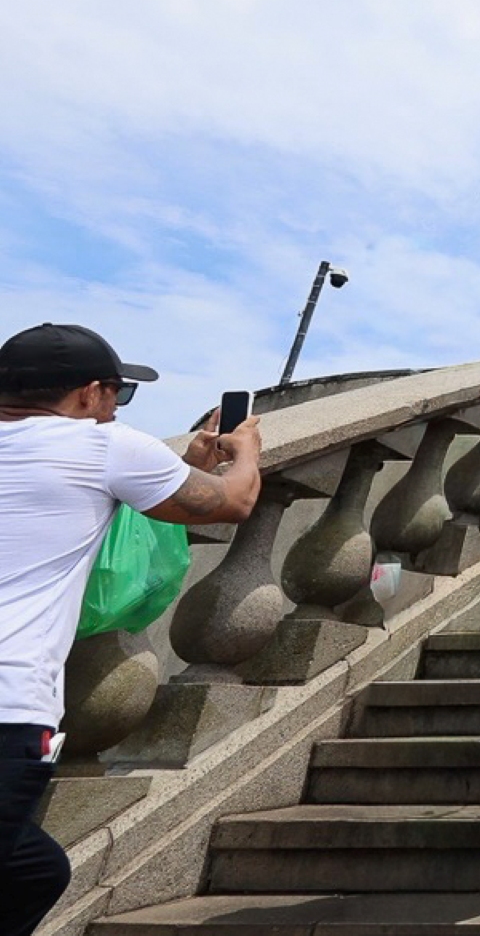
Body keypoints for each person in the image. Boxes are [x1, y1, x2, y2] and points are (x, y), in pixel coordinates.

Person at [1, 324, 262, 936]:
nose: (116, 408)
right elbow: (233, 502)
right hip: (8, 706)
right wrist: (244, 450)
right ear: (91, 393)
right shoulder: (106, 446)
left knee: (34, 870)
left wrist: (180, 467)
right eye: (119, 393)